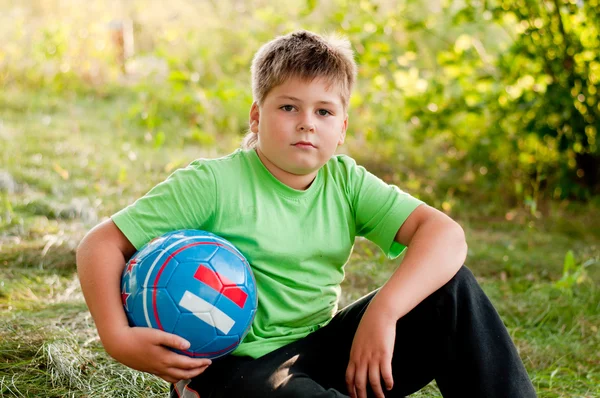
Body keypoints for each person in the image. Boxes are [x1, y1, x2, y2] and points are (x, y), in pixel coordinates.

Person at [76, 30, 537, 398]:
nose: (306, 123)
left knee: (453, 290)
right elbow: (101, 244)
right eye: (289, 107)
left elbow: (445, 235)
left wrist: (384, 312)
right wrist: (119, 339)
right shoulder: (213, 183)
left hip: (325, 351)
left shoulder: (345, 180)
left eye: (323, 111)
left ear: (341, 129)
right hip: (235, 369)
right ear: (256, 117)